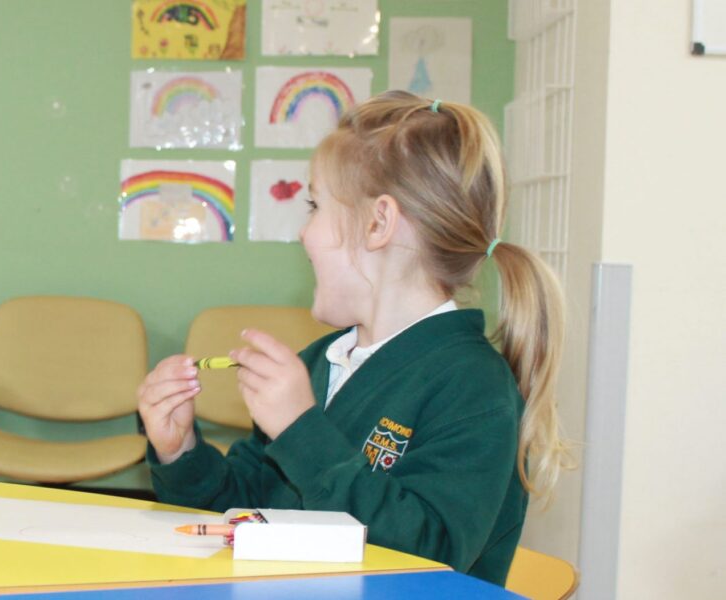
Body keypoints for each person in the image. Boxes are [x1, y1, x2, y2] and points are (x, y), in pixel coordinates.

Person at [136, 91, 570, 586]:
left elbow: (426, 556)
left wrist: (302, 432)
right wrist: (181, 452)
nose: (303, 233)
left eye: (315, 205)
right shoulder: (322, 361)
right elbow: (240, 512)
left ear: (378, 222)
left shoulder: (474, 388)